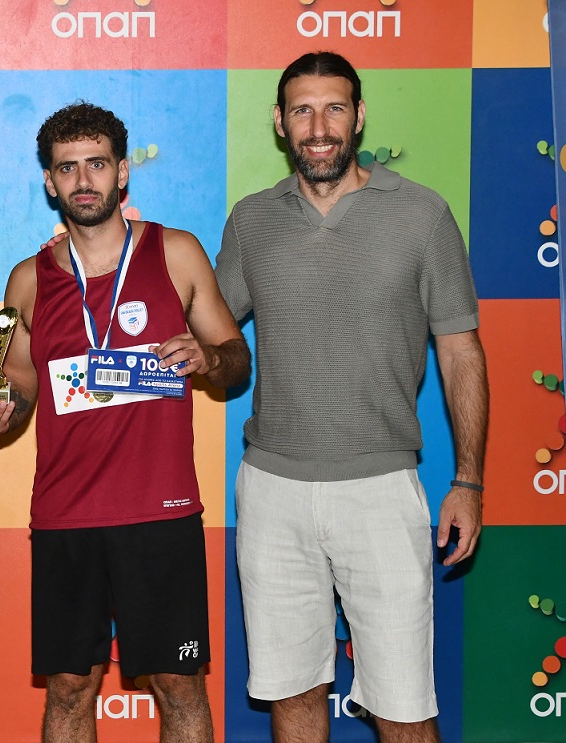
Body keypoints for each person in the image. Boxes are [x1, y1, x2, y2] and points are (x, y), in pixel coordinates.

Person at [215, 52, 488, 743]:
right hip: (272, 491)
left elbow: (460, 351)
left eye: (334, 108)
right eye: (302, 111)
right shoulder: (251, 220)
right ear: (279, 123)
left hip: (381, 491)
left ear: (359, 116)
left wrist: (468, 481)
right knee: (293, 695)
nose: (319, 128)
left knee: (404, 707)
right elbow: (208, 335)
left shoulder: (422, 214)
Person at [0, 102, 251, 742]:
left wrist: (208, 358)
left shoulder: (176, 252)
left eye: (96, 164)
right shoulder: (27, 281)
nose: (83, 180)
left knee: (179, 685)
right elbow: (20, 385)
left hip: (160, 509)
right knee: (70, 689)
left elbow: (236, 359)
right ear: (50, 181)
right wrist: (1, 409)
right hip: (66, 514)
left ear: (122, 172)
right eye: (67, 168)